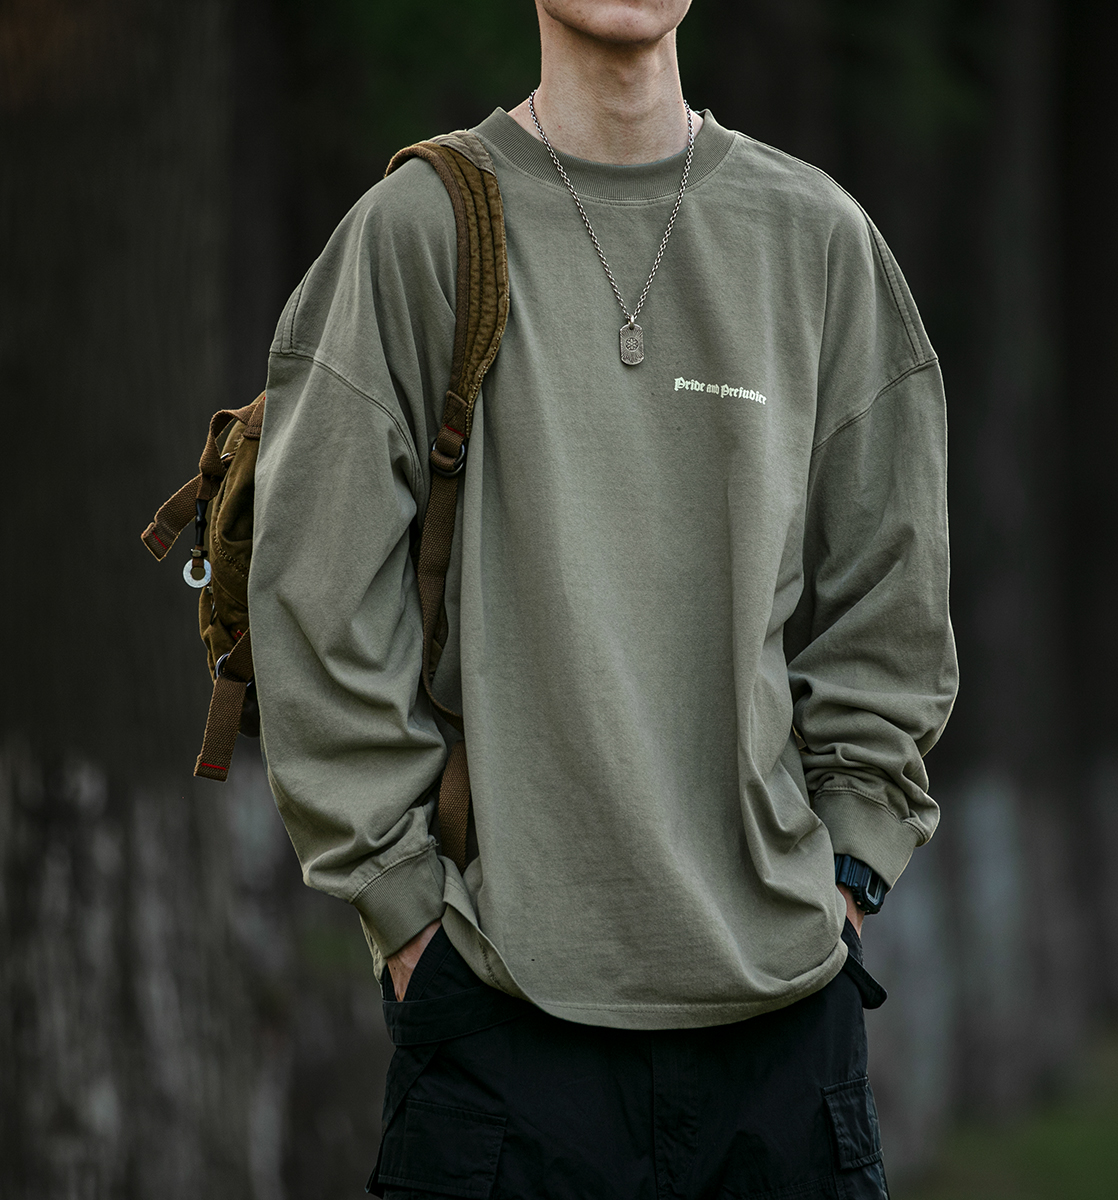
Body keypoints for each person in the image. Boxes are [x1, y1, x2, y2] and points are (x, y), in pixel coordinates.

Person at [249, 0, 958, 1195]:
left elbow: (895, 597)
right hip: (502, 1026)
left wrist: (850, 871)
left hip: (780, 1034)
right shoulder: (420, 230)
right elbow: (313, 591)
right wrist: (403, 908)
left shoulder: (816, 237)